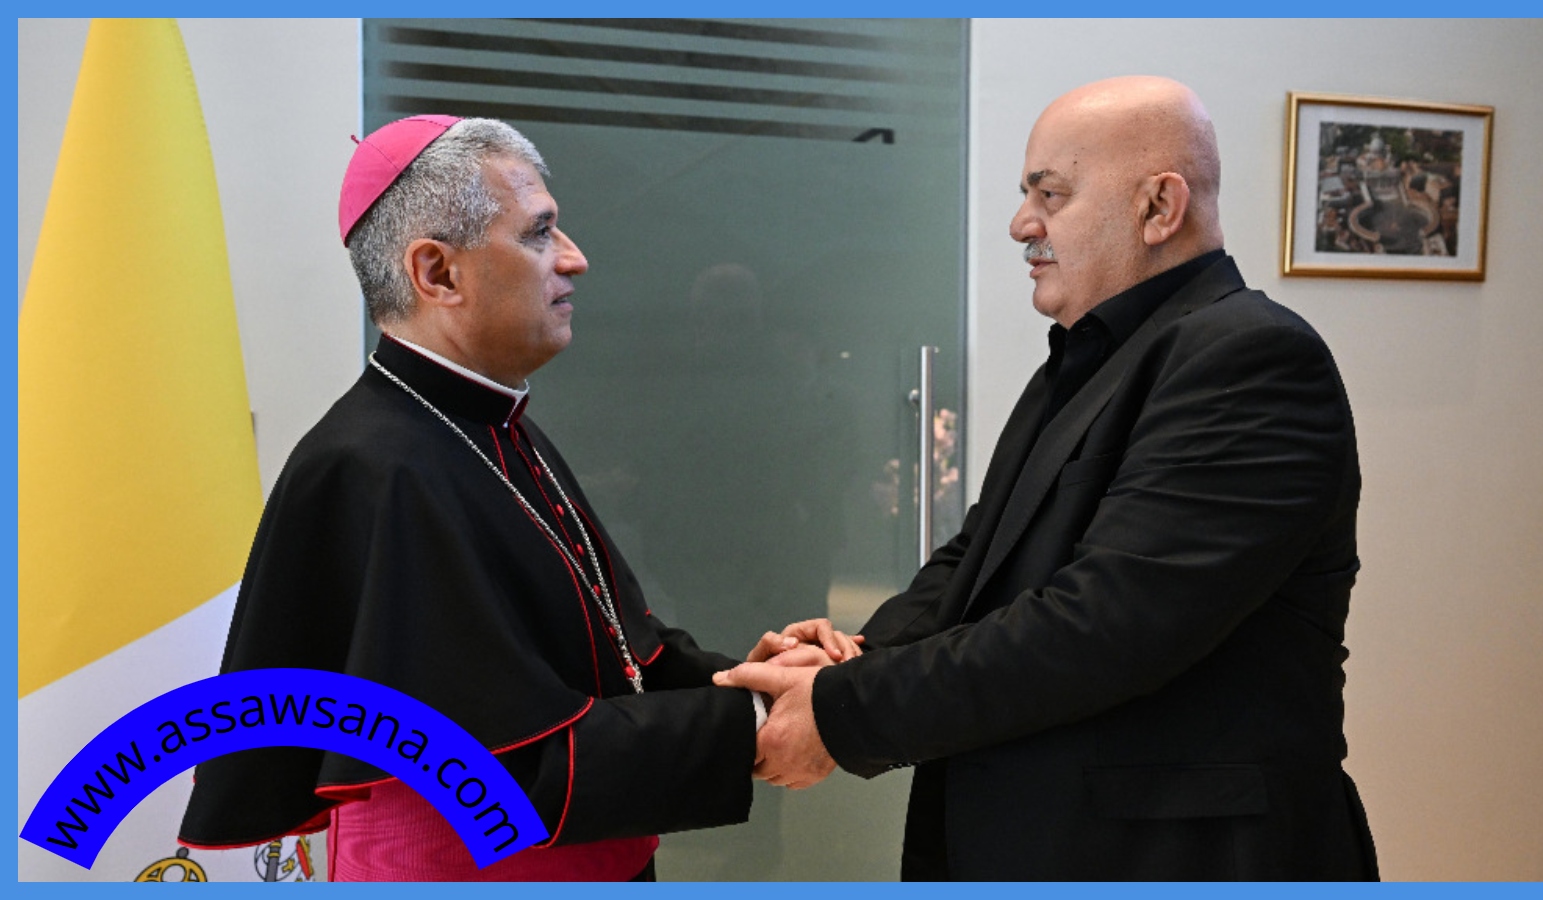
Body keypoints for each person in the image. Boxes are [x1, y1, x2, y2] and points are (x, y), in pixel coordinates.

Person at [721, 76, 1380, 880]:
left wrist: (842, 711)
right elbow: (978, 560)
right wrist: (855, 654)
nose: (1021, 224)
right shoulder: (1088, 355)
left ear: (1158, 207)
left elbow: (1105, 625)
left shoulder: (1252, 358)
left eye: (1050, 194)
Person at [178, 115, 797, 881]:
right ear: (437, 273)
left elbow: (610, 642)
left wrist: (741, 681)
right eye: (539, 232)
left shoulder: (497, 425)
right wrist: (758, 720)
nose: (574, 257)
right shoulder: (375, 468)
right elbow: (498, 756)